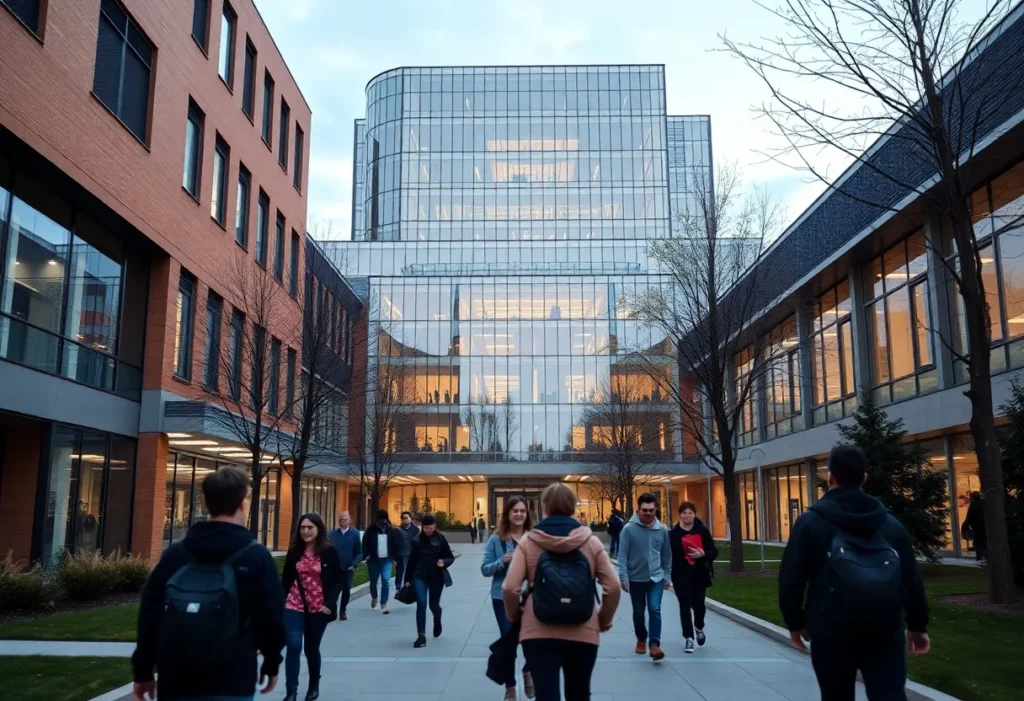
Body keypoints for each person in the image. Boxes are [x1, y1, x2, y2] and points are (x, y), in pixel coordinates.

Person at [780, 445, 930, 701]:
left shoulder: (811, 523)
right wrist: (917, 625)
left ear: (830, 476)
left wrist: (795, 622)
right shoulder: (889, 524)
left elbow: (791, 579)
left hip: (830, 630)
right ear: (864, 477)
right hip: (884, 628)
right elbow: (911, 579)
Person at [131, 466, 285, 701]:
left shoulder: (175, 554)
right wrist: (271, 662)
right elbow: (272, 618)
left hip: (177, 679)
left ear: (205, 501)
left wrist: (143, 671)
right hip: (233, 678)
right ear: (242, 504)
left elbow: (150, 616)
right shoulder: (256, 557)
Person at [502, 482, 621, 701]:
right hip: (583, 630)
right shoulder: (591, 542)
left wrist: (516, 616)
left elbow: (509, 588)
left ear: (545, 507)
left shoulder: (529, 541)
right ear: (573, 507)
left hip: (538, 630)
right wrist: (603, 620)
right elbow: (613, 586)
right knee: (579, 693)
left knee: (546, 694)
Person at [281, 513, 344, 701]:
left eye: (310, 527)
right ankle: (291, 691)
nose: (306, 531)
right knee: (293, 645)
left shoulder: (329, 550)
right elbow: (286, 579)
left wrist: (329, 604)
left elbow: (339, 579)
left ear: (318, 529)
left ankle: (313, 685)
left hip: (318, 607)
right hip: (294, 603)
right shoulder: (294, 551)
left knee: (311, 648)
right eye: (303, 527)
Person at [482, 496, 535, 700]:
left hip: (531, 598)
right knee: (509, 643)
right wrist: (501, 562)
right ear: (508, 514)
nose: (519, 514)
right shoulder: (497, 539)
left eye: (522, 511)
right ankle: (510, 686)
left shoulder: (534, 538)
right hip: (503, 598)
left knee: (533, 640)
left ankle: (528, 670)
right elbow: (484, 569)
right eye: (515, 511)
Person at [617, 493, 672, 661]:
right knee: (639, 612)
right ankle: (641, 638)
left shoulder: (662, 530)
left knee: (655, 609)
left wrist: (667, 575)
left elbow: (667, 556)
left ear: (655, 509)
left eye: (651, 510)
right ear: (638, 510)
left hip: (656, 578)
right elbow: (622, 555)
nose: (648, 513)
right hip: (636, 578)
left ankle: (654, 644)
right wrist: (623, 576)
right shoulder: (628, 530)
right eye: (644, 510)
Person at [669, 501, 718, 654]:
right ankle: (689, 638)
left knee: (699, 606)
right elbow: (667, 556)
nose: (687, 516)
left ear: (694, 515)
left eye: (690, 513)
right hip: (680, 575)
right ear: (679, 515)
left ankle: (699, 626)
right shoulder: (673, 534)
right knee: (684, 606)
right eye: (684, 513)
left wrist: (702, 554)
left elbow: (714, 552)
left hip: (699, 574)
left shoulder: (702, 531)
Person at [402, 514, 455, 648]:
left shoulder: (440, 539)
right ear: (422, 527)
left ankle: (437, 618)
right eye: (426, 528)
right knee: (421, 603)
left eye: (431, 528)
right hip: (420, 576)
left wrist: (444, 562)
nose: (428, 530)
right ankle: (421, 636)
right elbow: (412, 561)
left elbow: (450, 557)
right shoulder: (417, 541)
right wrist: (407, 579)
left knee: (433, 605)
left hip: (436, 577)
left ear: (435, 526)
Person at [362, 509, 404, 614]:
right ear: (377, 519)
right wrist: (366, 555)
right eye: (381, 519)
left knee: (386, 580)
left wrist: (395, 557)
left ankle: (384, 603)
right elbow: (365, 544)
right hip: (373, 560)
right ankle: (374, 597)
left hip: (387, 559)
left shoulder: (391, 530)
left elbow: (396, 544)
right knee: (373, 582)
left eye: (385, 519)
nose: (383, 521)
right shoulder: (371, 530)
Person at [328, 510, 362, 621]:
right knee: (333, 591)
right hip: (334, 568)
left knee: (346, 589)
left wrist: (354, 564)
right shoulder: (332, 534)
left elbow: (359, 552)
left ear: (349, 520)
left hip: (348, 568)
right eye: (341, 519)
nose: (343, 521)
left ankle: (342, 610)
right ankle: (332, 610)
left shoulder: (354, 534)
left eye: (345, 519)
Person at [397, 510, 420, 587]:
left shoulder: (416, 529)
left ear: (410, 518)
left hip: (414, 554)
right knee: (402, 572)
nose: (405, 520)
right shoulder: (398, 530)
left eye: (406, 518)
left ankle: (411, 586)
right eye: (403, 518)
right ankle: (401, 587)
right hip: (403, 554)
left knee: (413, 571)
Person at [962, 491, 987, 562]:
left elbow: (969, 517)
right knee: (984, 542)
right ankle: (985, 557)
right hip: (984, 526)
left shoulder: (973, 504)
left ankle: (979, 558)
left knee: (978, 543)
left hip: (977, 527)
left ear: (972, 497)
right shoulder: (984, 503)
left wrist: (965, 526)